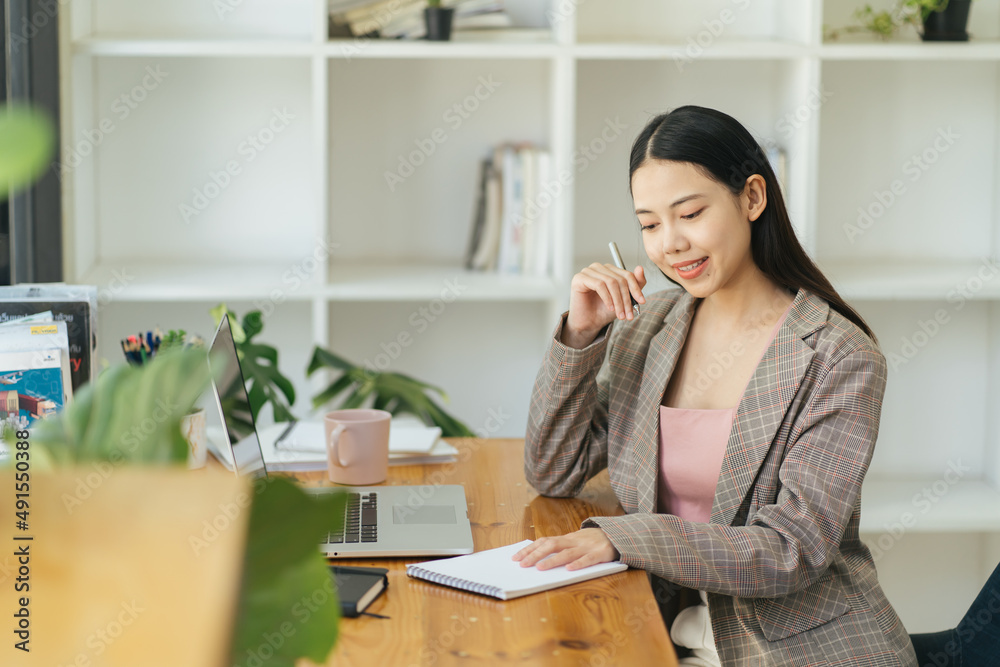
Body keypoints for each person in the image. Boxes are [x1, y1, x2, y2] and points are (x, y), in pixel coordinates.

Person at [513, 105, 918, 666]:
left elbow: (791, 550)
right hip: (664, 630)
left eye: (691, 213)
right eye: (650, 225)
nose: (670, 244)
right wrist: (581, 336)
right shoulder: (648, 328)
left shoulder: (836, 355)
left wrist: (626, 538)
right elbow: (553, 469)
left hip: (801, 650)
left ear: (752, 198)